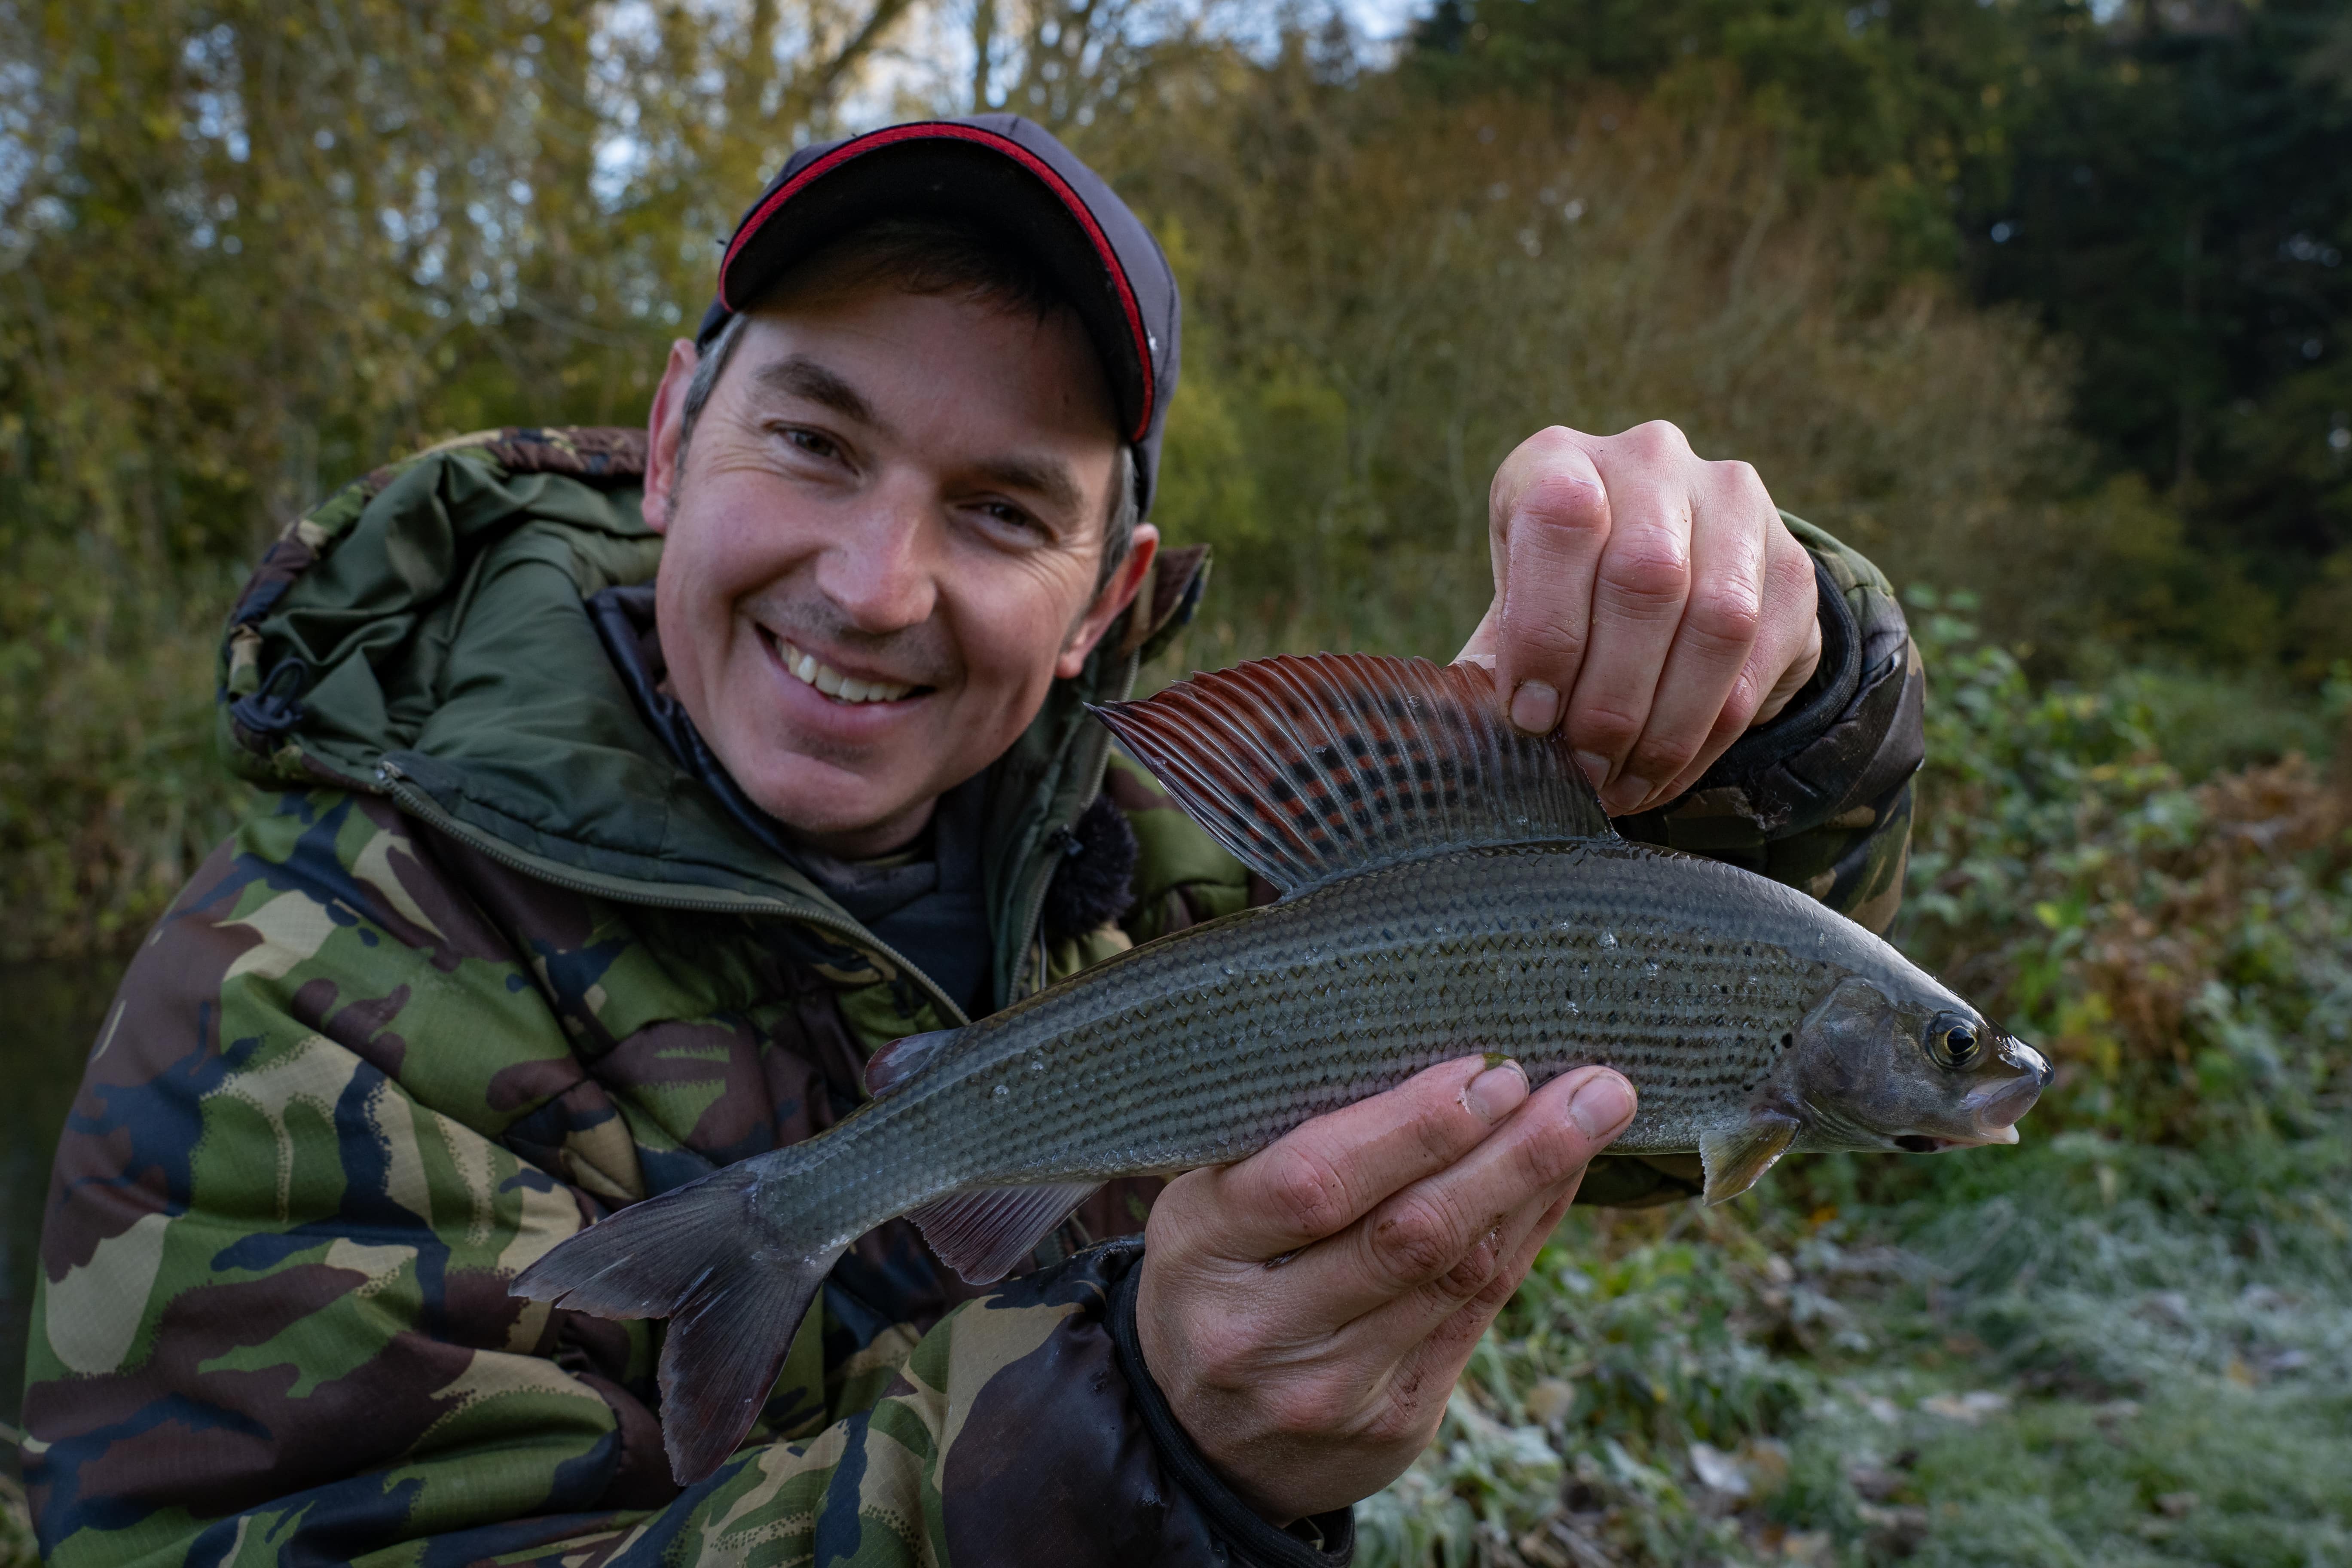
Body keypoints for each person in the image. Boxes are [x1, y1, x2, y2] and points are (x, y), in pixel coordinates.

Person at [25, 116, 1921, 1566]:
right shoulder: (300, 996)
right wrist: (1136, 1441)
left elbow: (1660, 1038)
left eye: (1005, 509)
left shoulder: (1190, 859)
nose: (871, 587)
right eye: (817, 443)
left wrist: (1794, 687)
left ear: (1115, 591)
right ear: (675, 435)